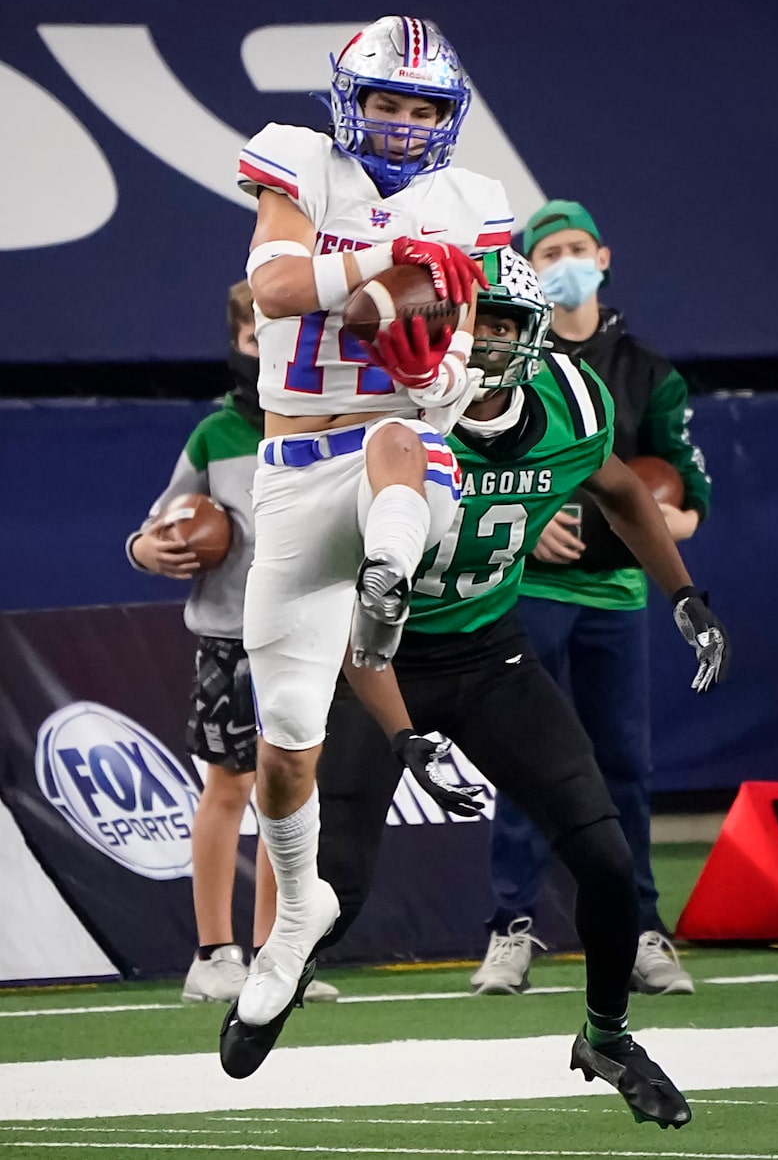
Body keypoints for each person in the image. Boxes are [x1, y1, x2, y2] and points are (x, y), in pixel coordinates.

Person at [221, 248, 730, 1130]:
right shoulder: (389, 420)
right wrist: (401, 733)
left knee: (607, 865)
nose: (485, 340)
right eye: (470, 321)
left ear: (532, 338)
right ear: (435, 332)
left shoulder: (574, 401)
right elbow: (348, 606)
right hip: (370, 659)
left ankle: (608, 1036)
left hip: (492, 654)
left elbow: (619, 491)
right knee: (336, 894)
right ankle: (284, 963)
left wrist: (683, 593)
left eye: (501, 324)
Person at [222, 14, 513, 1049]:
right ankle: (298, 912)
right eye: (384, 102)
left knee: (402, 431)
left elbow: (465, 358)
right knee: (286, 754)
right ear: (350, 102)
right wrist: (390, 258)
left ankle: (385, 587)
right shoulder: (298, 162)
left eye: (420, 108)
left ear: (447, 118)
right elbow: (278, 285)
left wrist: (438, 362)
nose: (398, 124)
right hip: (292, 474)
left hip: (397, 449)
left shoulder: (473, 202)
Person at [471, 200, 712, 999]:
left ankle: (641, 927)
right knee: (524, 758)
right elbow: (475, 467)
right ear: (526, 274)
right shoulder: (508, 359)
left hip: (613, 591)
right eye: (548, 252)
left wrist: (662, 515)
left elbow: (684, 492)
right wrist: (526, 523)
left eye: (576, 248)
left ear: (602, 257)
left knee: (622, 764)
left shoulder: (649, 371)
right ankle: (512, 925)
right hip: (527, 584)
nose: (564, 261)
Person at [126, 280, 338, 1003]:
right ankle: (215, 952)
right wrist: (143, 549)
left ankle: (278, 952)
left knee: (293, 786)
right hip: (229, 633)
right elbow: (159, 523)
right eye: (255, 338)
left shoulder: (333, 419)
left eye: (278, 336)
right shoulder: (217, 433)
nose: (266, 350)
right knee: (229, 785)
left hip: (307, 629)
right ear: (238, 343)